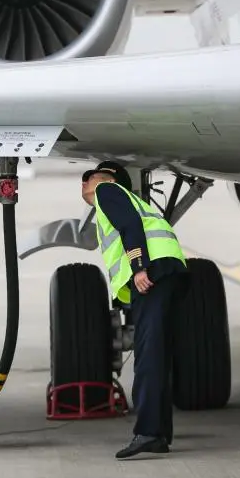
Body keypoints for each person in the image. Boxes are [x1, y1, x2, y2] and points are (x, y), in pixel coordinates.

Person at [80, 161, 189, 459]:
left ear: (106, 178)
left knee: (148, 354)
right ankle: (159, 433)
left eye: (88, 177)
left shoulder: (107, 191)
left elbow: (130, 224)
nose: (84, 183)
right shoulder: (124, 197)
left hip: (151, 273)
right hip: (166, 271)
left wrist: (139, 267)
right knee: (158, 352)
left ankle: (149, 433)